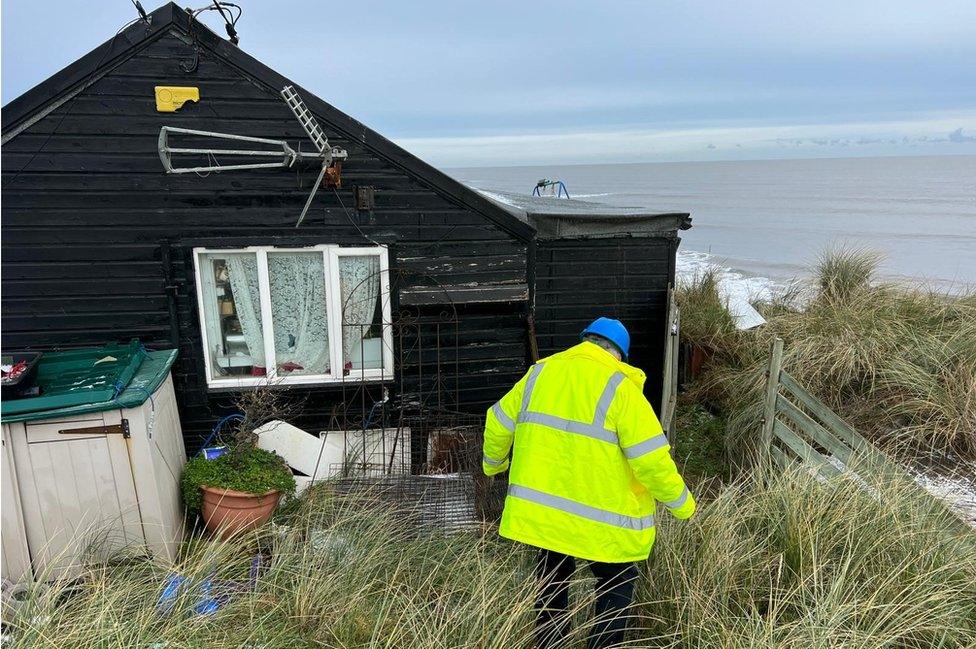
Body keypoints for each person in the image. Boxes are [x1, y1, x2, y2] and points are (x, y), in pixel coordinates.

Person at [483, 317, 696, 648]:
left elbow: (496, 423)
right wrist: (683, 505)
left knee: (551, 584)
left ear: (585, 341)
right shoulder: (622, 389)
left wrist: (494, 465)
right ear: (619, 355)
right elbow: (652, 461)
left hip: (545, 516)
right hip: (606, 524)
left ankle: (549, 643)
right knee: (616, 587)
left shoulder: (539, 374)